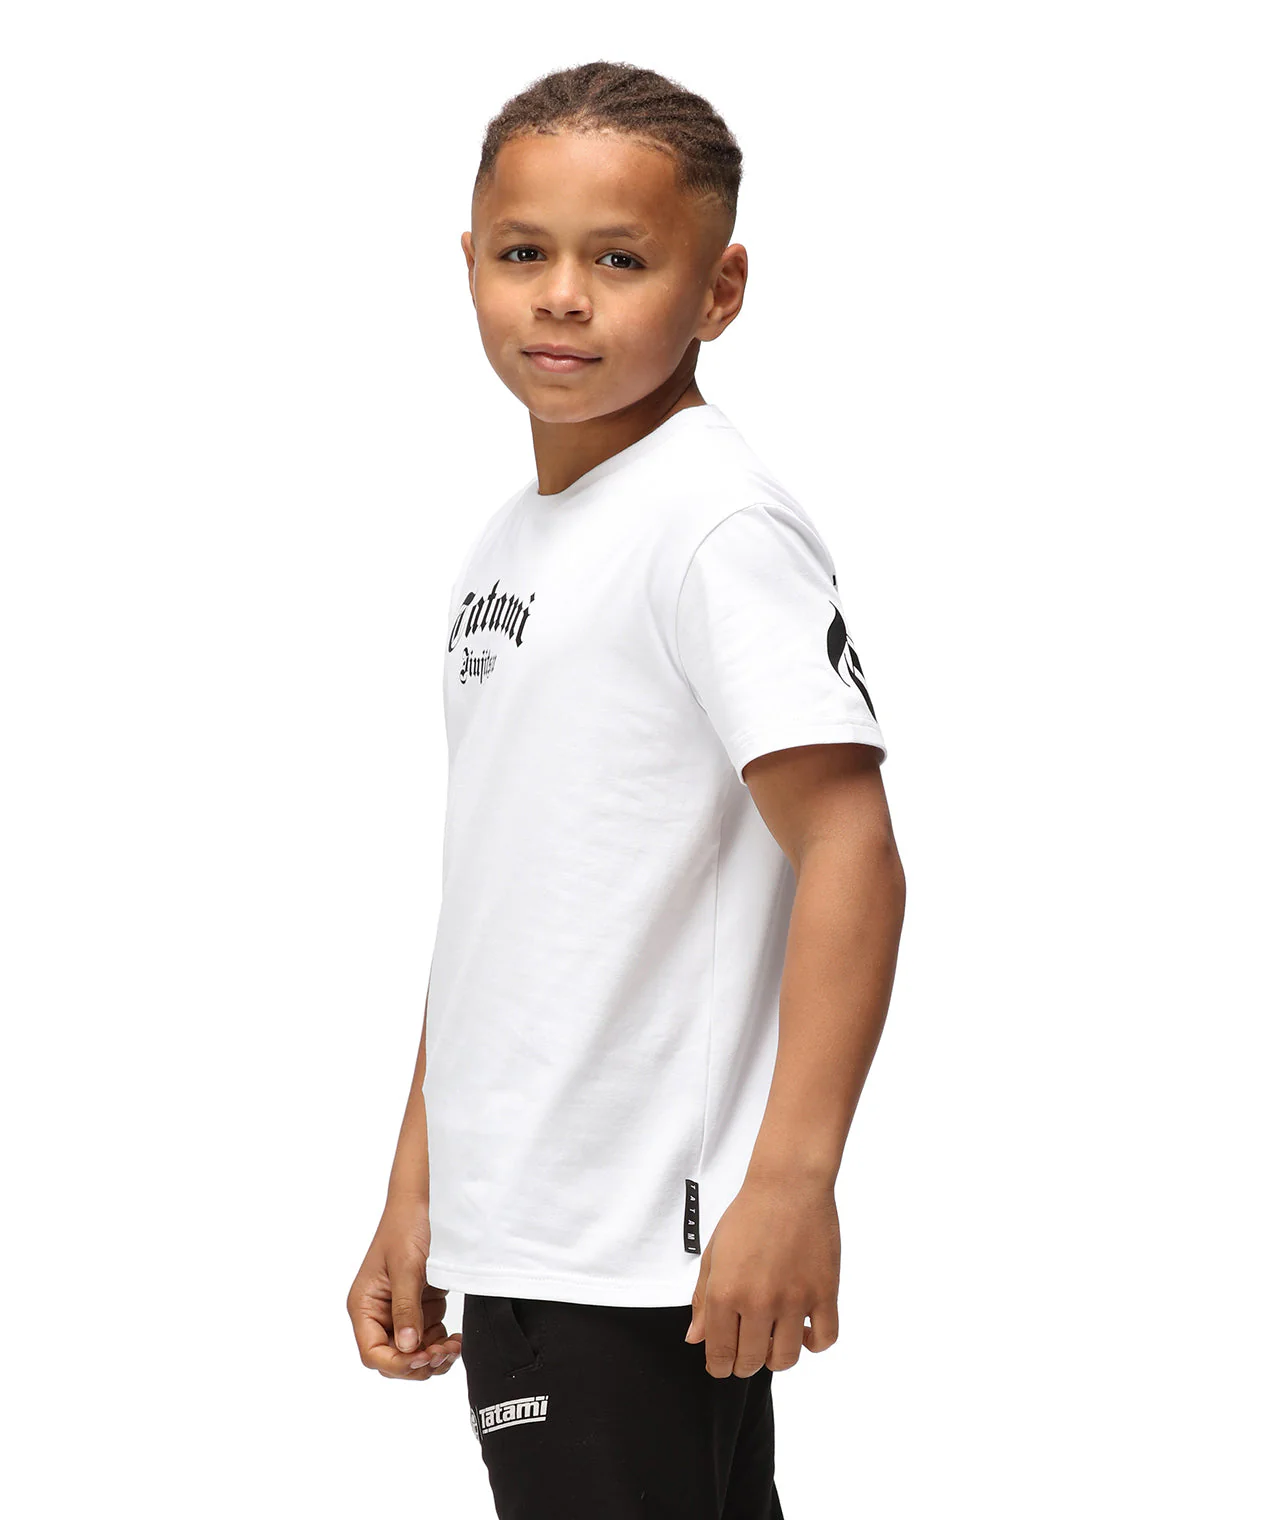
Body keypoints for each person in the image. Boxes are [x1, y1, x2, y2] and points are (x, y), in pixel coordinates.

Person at [347, 60, 907, 1519]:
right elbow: (502, 897)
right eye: (523, 252)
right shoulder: (511, 540)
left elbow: (850, 845)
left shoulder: (712, 524)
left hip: (631, 1248)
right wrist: (422, 1186)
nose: (562, 298)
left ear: (720, 290)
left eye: (620, 260)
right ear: (470, 263)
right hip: (528, 1228)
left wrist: (792, 1179)